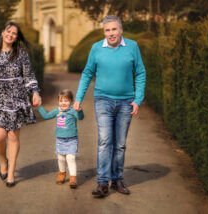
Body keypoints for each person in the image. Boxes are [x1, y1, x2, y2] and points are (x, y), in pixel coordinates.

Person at [73, 15, 146, 198]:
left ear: (121, 30)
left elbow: (141, 73)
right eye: (107, 30)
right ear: (104, 32)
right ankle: (103, 182)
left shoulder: (132, 47)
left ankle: (117, 179)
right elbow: (88, 73)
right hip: (103, 100)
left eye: (114, 29)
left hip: (125, 102)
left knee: (120, 144)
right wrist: (79, 98)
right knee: (106, 141)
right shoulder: (96, 48)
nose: (111, 33)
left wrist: (137, 99)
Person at [0, 21, 42, 187]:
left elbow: (29, 76)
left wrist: (34, 92)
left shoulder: (21, 53)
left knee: (12, 136)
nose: (10, 35)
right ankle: (3, 161)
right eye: (8, 31)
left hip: (17, 97)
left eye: (14, 33)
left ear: (16, 37)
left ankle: (11, 173)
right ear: (2, 32)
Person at [37, 89, 84, 188]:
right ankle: (62, 174)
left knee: (70, 158)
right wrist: (39, 106)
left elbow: (81, 117)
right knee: (61, 158)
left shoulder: (73, 111)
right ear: (58, 101)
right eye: (61, 101)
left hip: (72, 139)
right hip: (60, 139)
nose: (63, 103)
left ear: (71, 101)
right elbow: (46, 116)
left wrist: (79, 111)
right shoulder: (57, 111)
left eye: (66, 101)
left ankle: (73, 178)